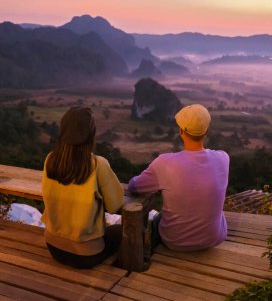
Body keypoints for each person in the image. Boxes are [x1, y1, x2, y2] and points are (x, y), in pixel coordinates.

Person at [128, 104, 229, 252]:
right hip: (214, 239)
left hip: (175, 242)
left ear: (181, 131)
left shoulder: (164, 163)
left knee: (157, 219)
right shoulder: (223, 158)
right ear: (206, 130)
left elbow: (134, 186)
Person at [41, 107, 124, 268]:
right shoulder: (97, 164)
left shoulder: (50, 159)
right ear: (91, 135)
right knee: (121, 231)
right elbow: (115, 205)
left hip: (53, 247)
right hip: (85, 255)